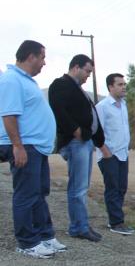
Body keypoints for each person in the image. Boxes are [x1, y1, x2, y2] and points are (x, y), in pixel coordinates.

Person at [0, 40, 66, 258]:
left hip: (36, 148)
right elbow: (9, 115)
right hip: (25, 146)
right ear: (31, 57)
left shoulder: (26, 81)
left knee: (38, 193)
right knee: (26, 195)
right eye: (42, 57)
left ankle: (45, 236)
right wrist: (18, 147)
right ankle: (27, 242)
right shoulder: (11, 80)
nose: (44, 63)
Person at [48, 54, 108, 242]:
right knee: (78, 188)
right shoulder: (61, 84)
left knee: (82, 186)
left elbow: (90, 117)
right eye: (87, 71)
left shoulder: (79, 89)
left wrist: (99, 142)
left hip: (84, 142)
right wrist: (76, 132)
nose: (88, 75)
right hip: (76, 142)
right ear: (76, 67)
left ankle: (81, 224)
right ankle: (78, 227)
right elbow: (59, 110)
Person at [95, 73, 135, 235]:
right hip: (109, 155)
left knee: (122, 187)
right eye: (120, 84)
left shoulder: (123, 104)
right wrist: (105, 151)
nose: (124, 87)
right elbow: (97, 131)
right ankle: (116, 223)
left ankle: (117, 219)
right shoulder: (102, 107)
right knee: (113, 188)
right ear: (110, 87)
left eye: (124, 84)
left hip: (123, 153)